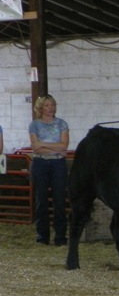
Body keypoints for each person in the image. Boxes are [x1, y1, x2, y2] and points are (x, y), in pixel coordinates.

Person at [29, 94, 69, 246]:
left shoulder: (62, 124)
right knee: (41, 201)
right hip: (40, 163)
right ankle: (42, 236)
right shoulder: (34, 125)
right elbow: (35, 148)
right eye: (47, 105)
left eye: (52, 105)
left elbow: (64, 146)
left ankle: (60, 237)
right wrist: (56, 147)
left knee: (59, 200)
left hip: (58, 164)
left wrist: (43, 144)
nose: (50, 108)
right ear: (40, 108)